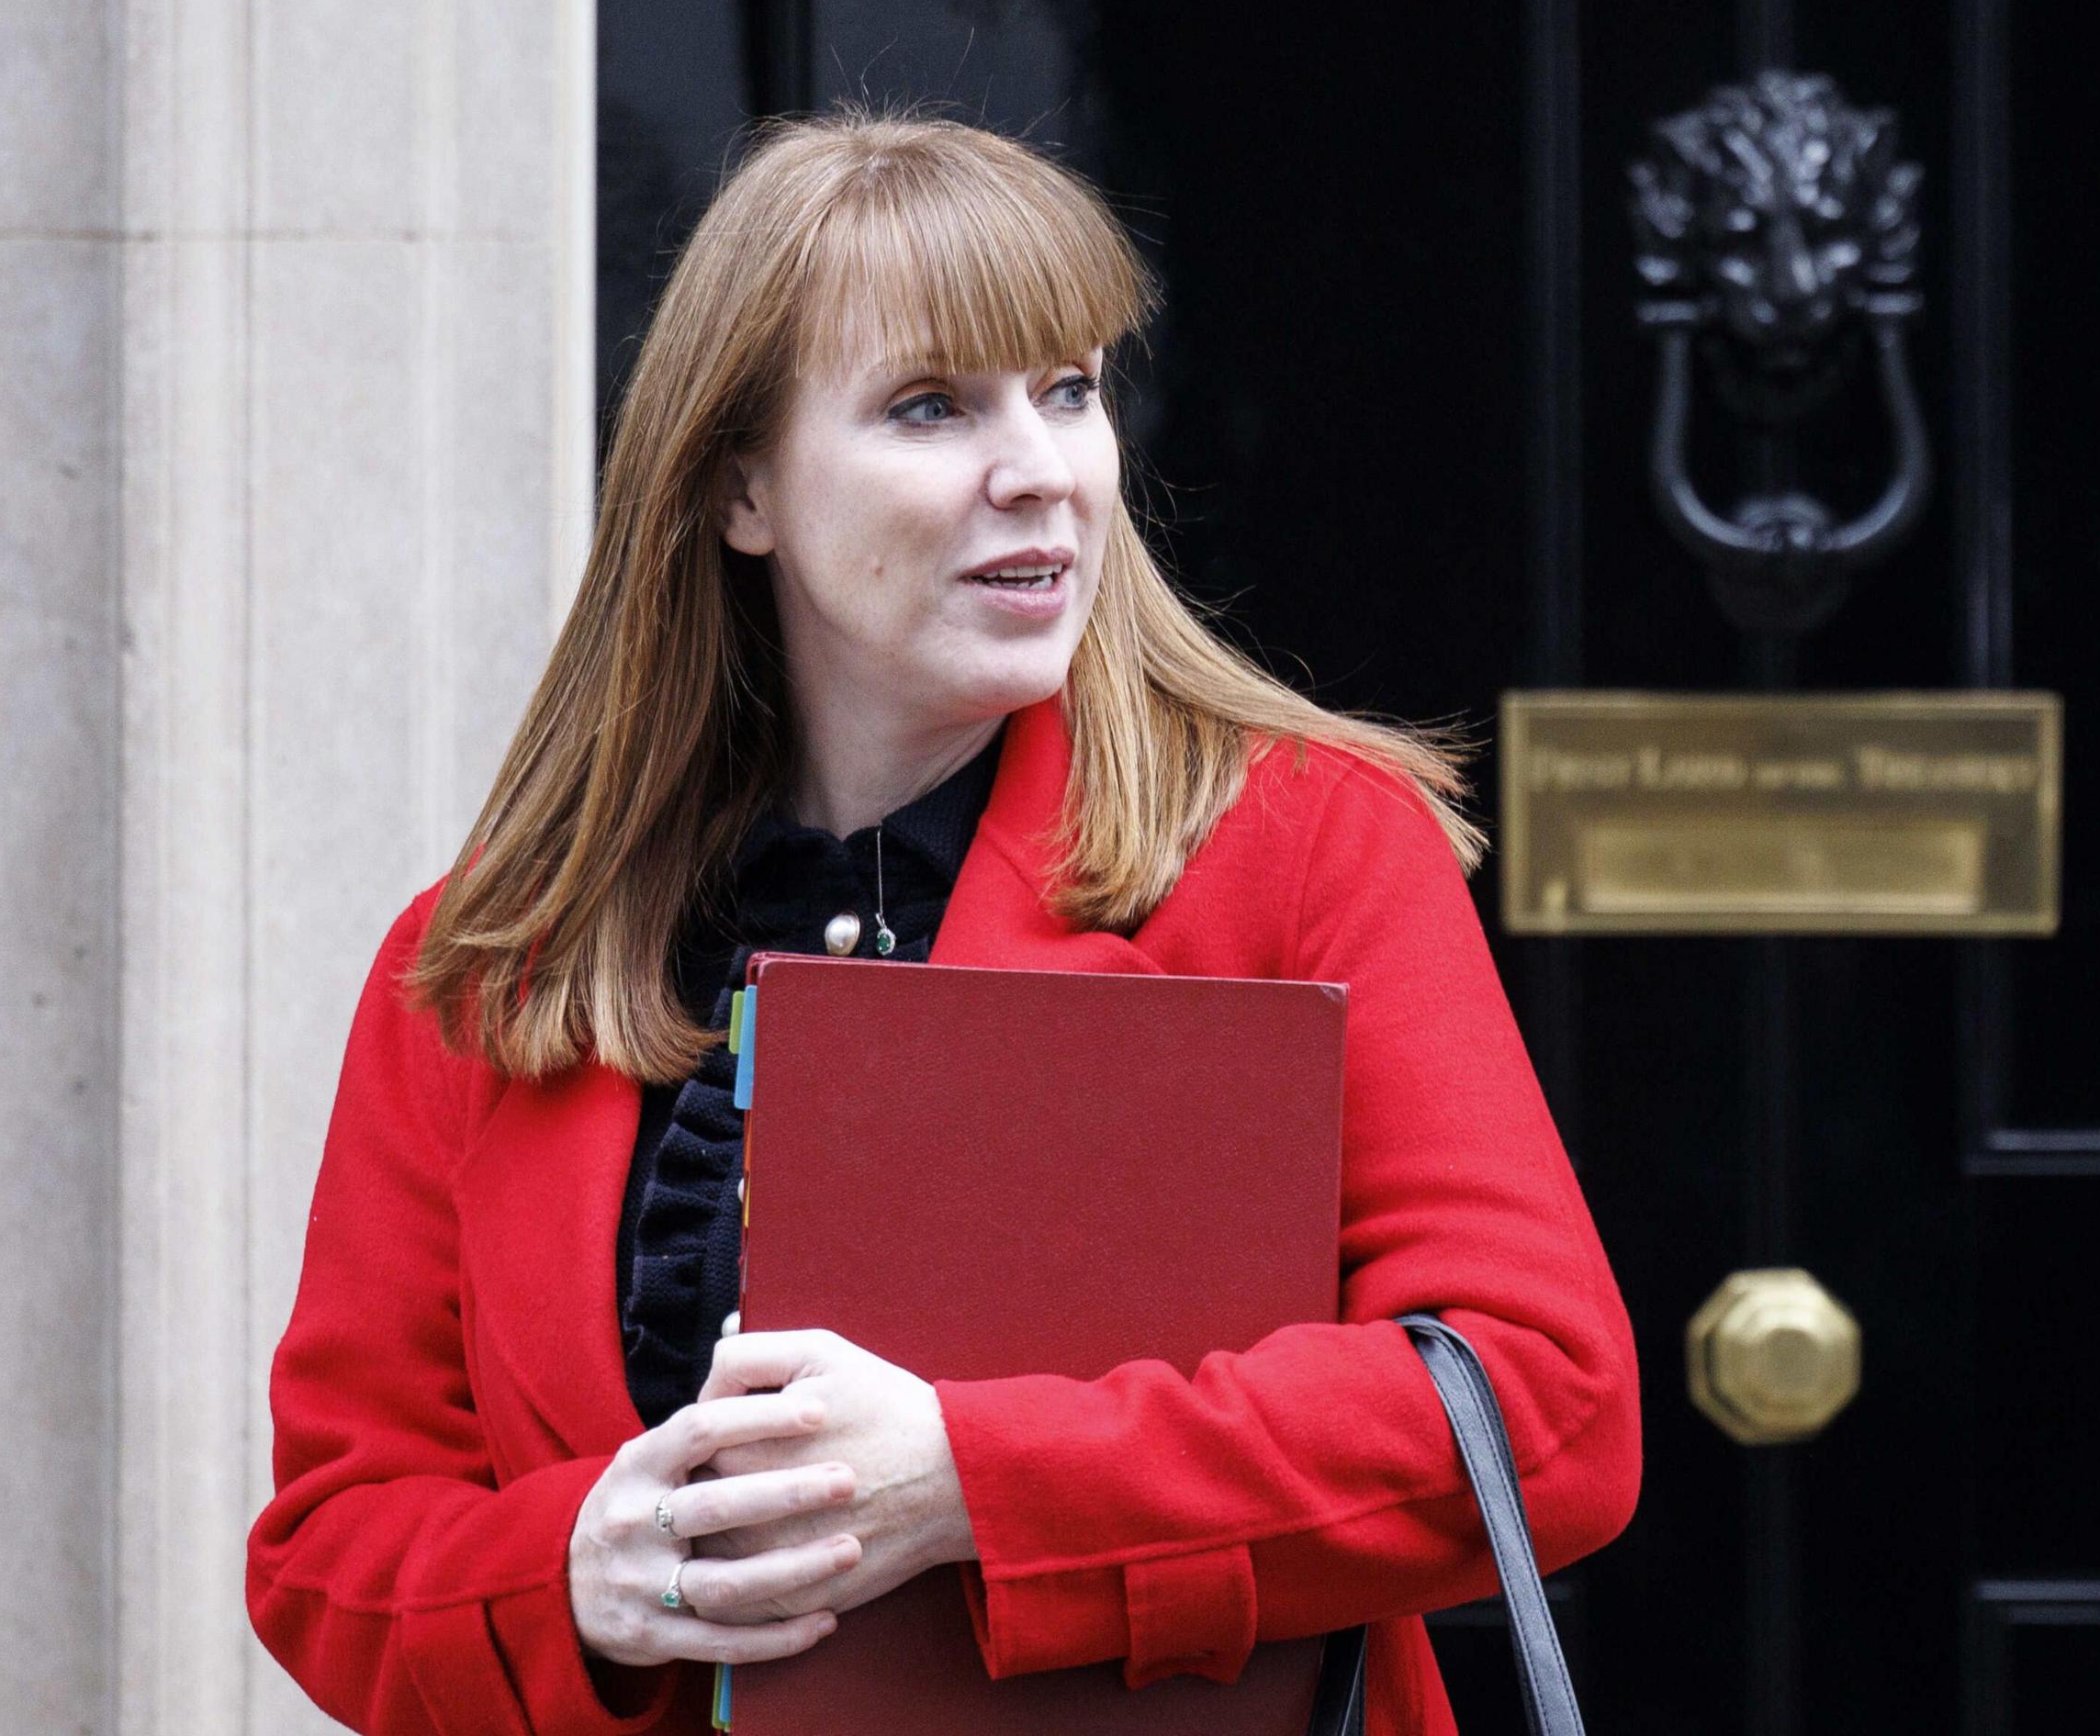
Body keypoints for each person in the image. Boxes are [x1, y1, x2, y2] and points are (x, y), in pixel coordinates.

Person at [246, 111, 1640, 1736]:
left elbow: (1545, 1404)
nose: (1040, 468)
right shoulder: (494, 959)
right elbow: (330, 1548)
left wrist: (977, 1485)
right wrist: (574, 1580)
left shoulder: (1307, 849)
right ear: (740, 487)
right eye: (931, 406)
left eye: (1069, 390)